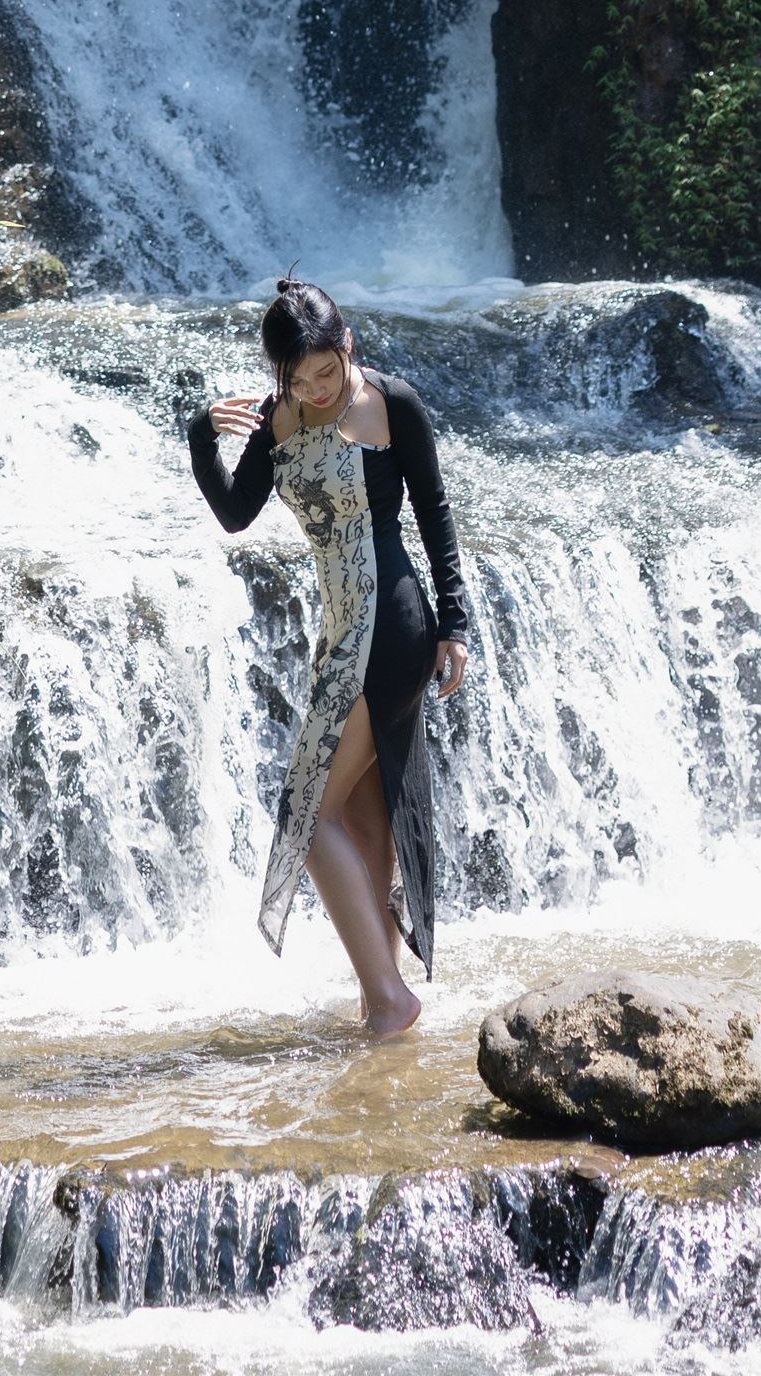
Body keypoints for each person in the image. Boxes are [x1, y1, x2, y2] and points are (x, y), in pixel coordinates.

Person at [186, 275, 471, 1039]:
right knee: (358, 815)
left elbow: (435, 511)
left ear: (347, 346)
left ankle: (388, 1002)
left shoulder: (392, 402)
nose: (314, 390)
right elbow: (235, 514)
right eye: (297, 379)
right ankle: (385, 989)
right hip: (341, 630)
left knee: (306, 816)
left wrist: (458, 625)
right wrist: (197, 436)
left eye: (326, 373)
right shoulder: (277, 422)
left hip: (396, 626)